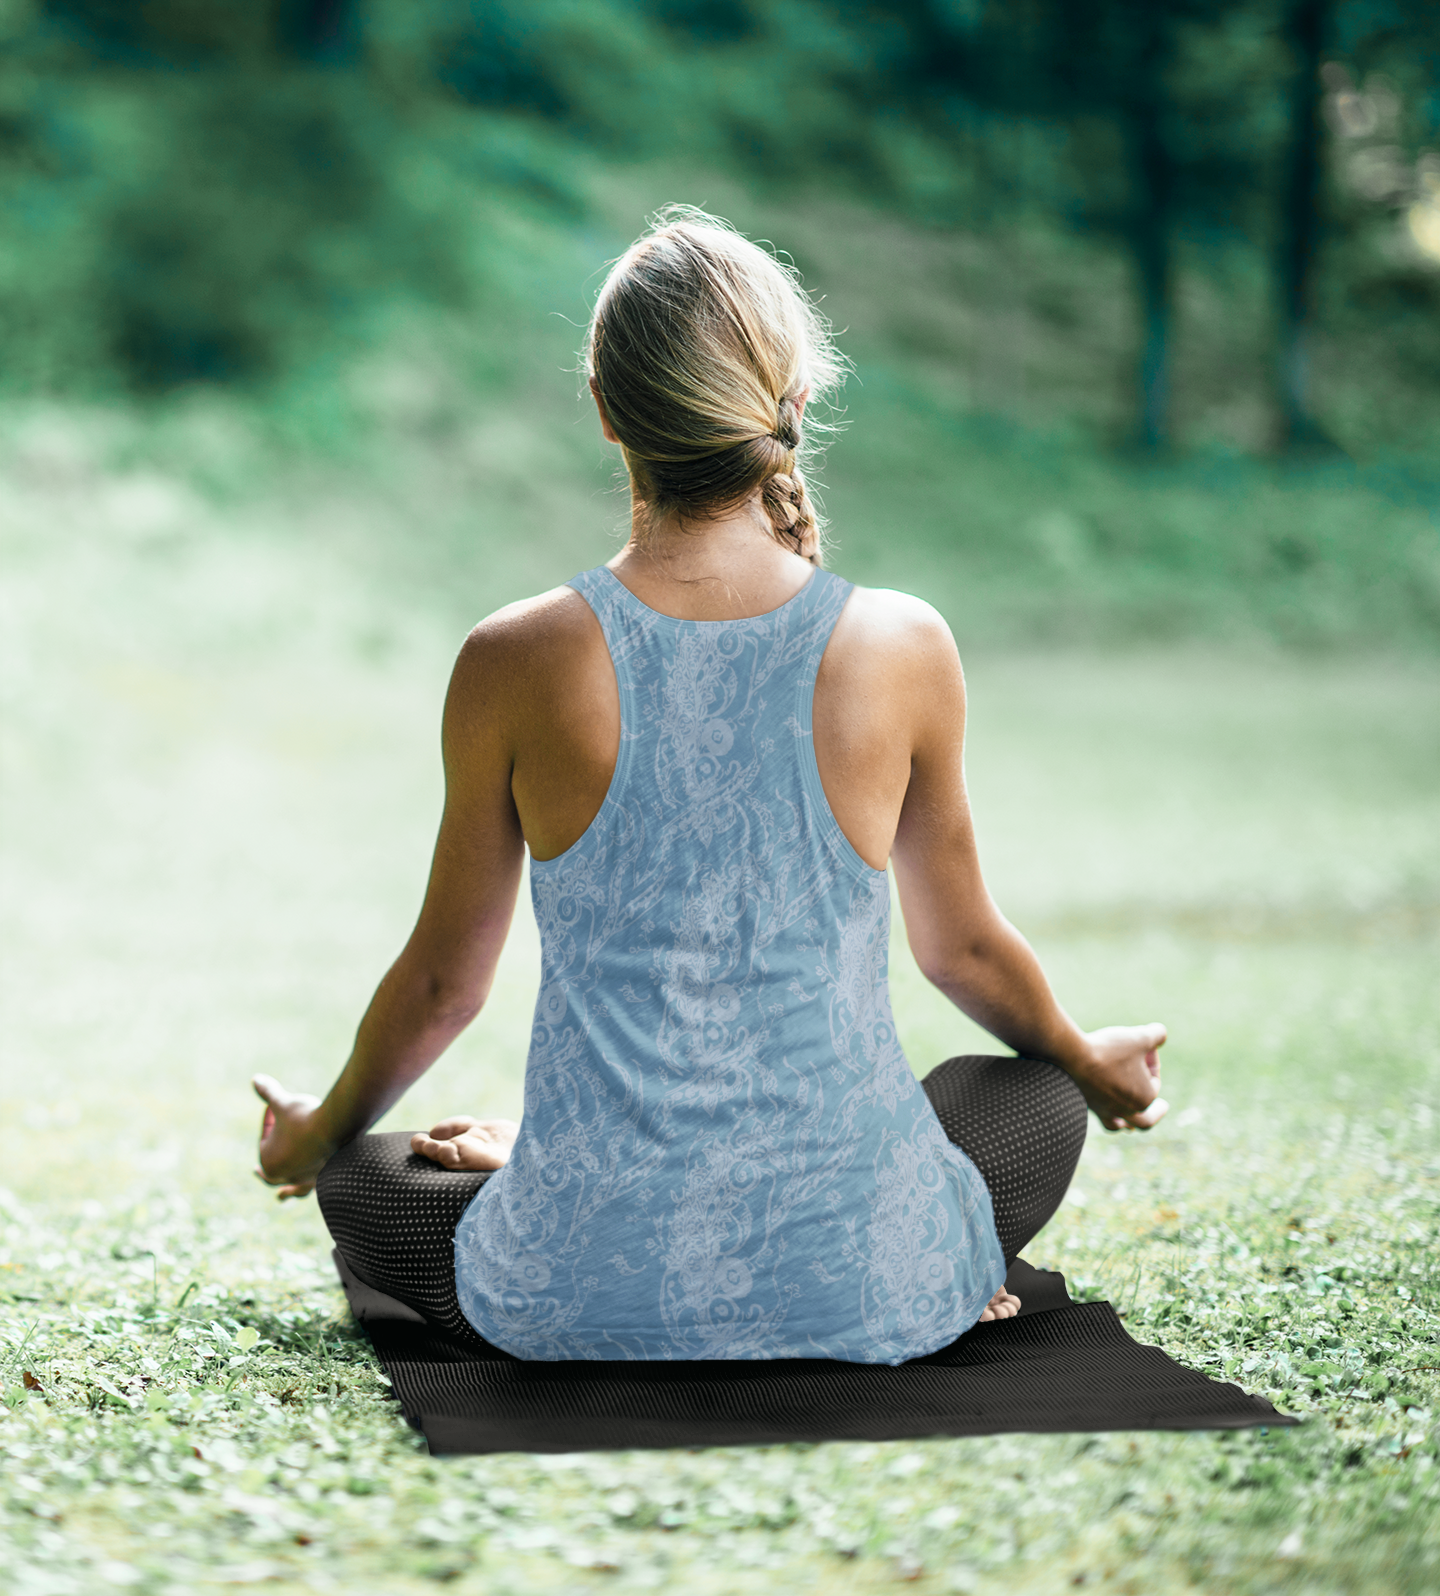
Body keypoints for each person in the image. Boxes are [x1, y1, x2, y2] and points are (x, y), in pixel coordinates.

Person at [254, 208, 1167, 1364]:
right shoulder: (903, 644)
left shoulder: (511, 658)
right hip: (858, 1282)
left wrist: (314, 1133)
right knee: (1028, 1092)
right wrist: (1090, 1064)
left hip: (579, 1291)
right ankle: (933, 1260)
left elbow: (445, 983)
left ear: (605, 412)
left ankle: (551, 1169)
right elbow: (967, 957)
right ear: (791, 405)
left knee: (370, 1177)